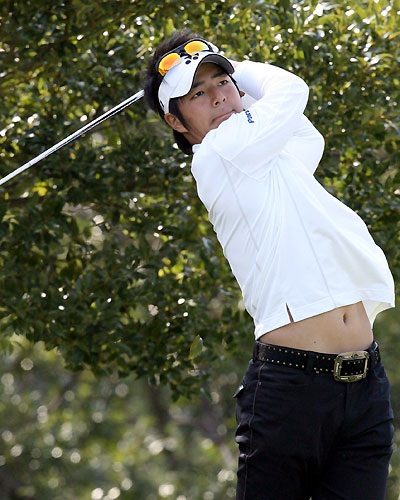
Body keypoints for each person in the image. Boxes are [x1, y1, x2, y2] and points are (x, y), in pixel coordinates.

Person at [143, 28, 395, 500]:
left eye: (222, 83)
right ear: (175, 122)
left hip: (365, 386)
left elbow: (305, 132)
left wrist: (226, 73)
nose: (218, 97)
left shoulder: (269, 158)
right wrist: (236, 66)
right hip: (292, 389)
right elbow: (291, 89)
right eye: (197, 94)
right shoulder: (219, 154)